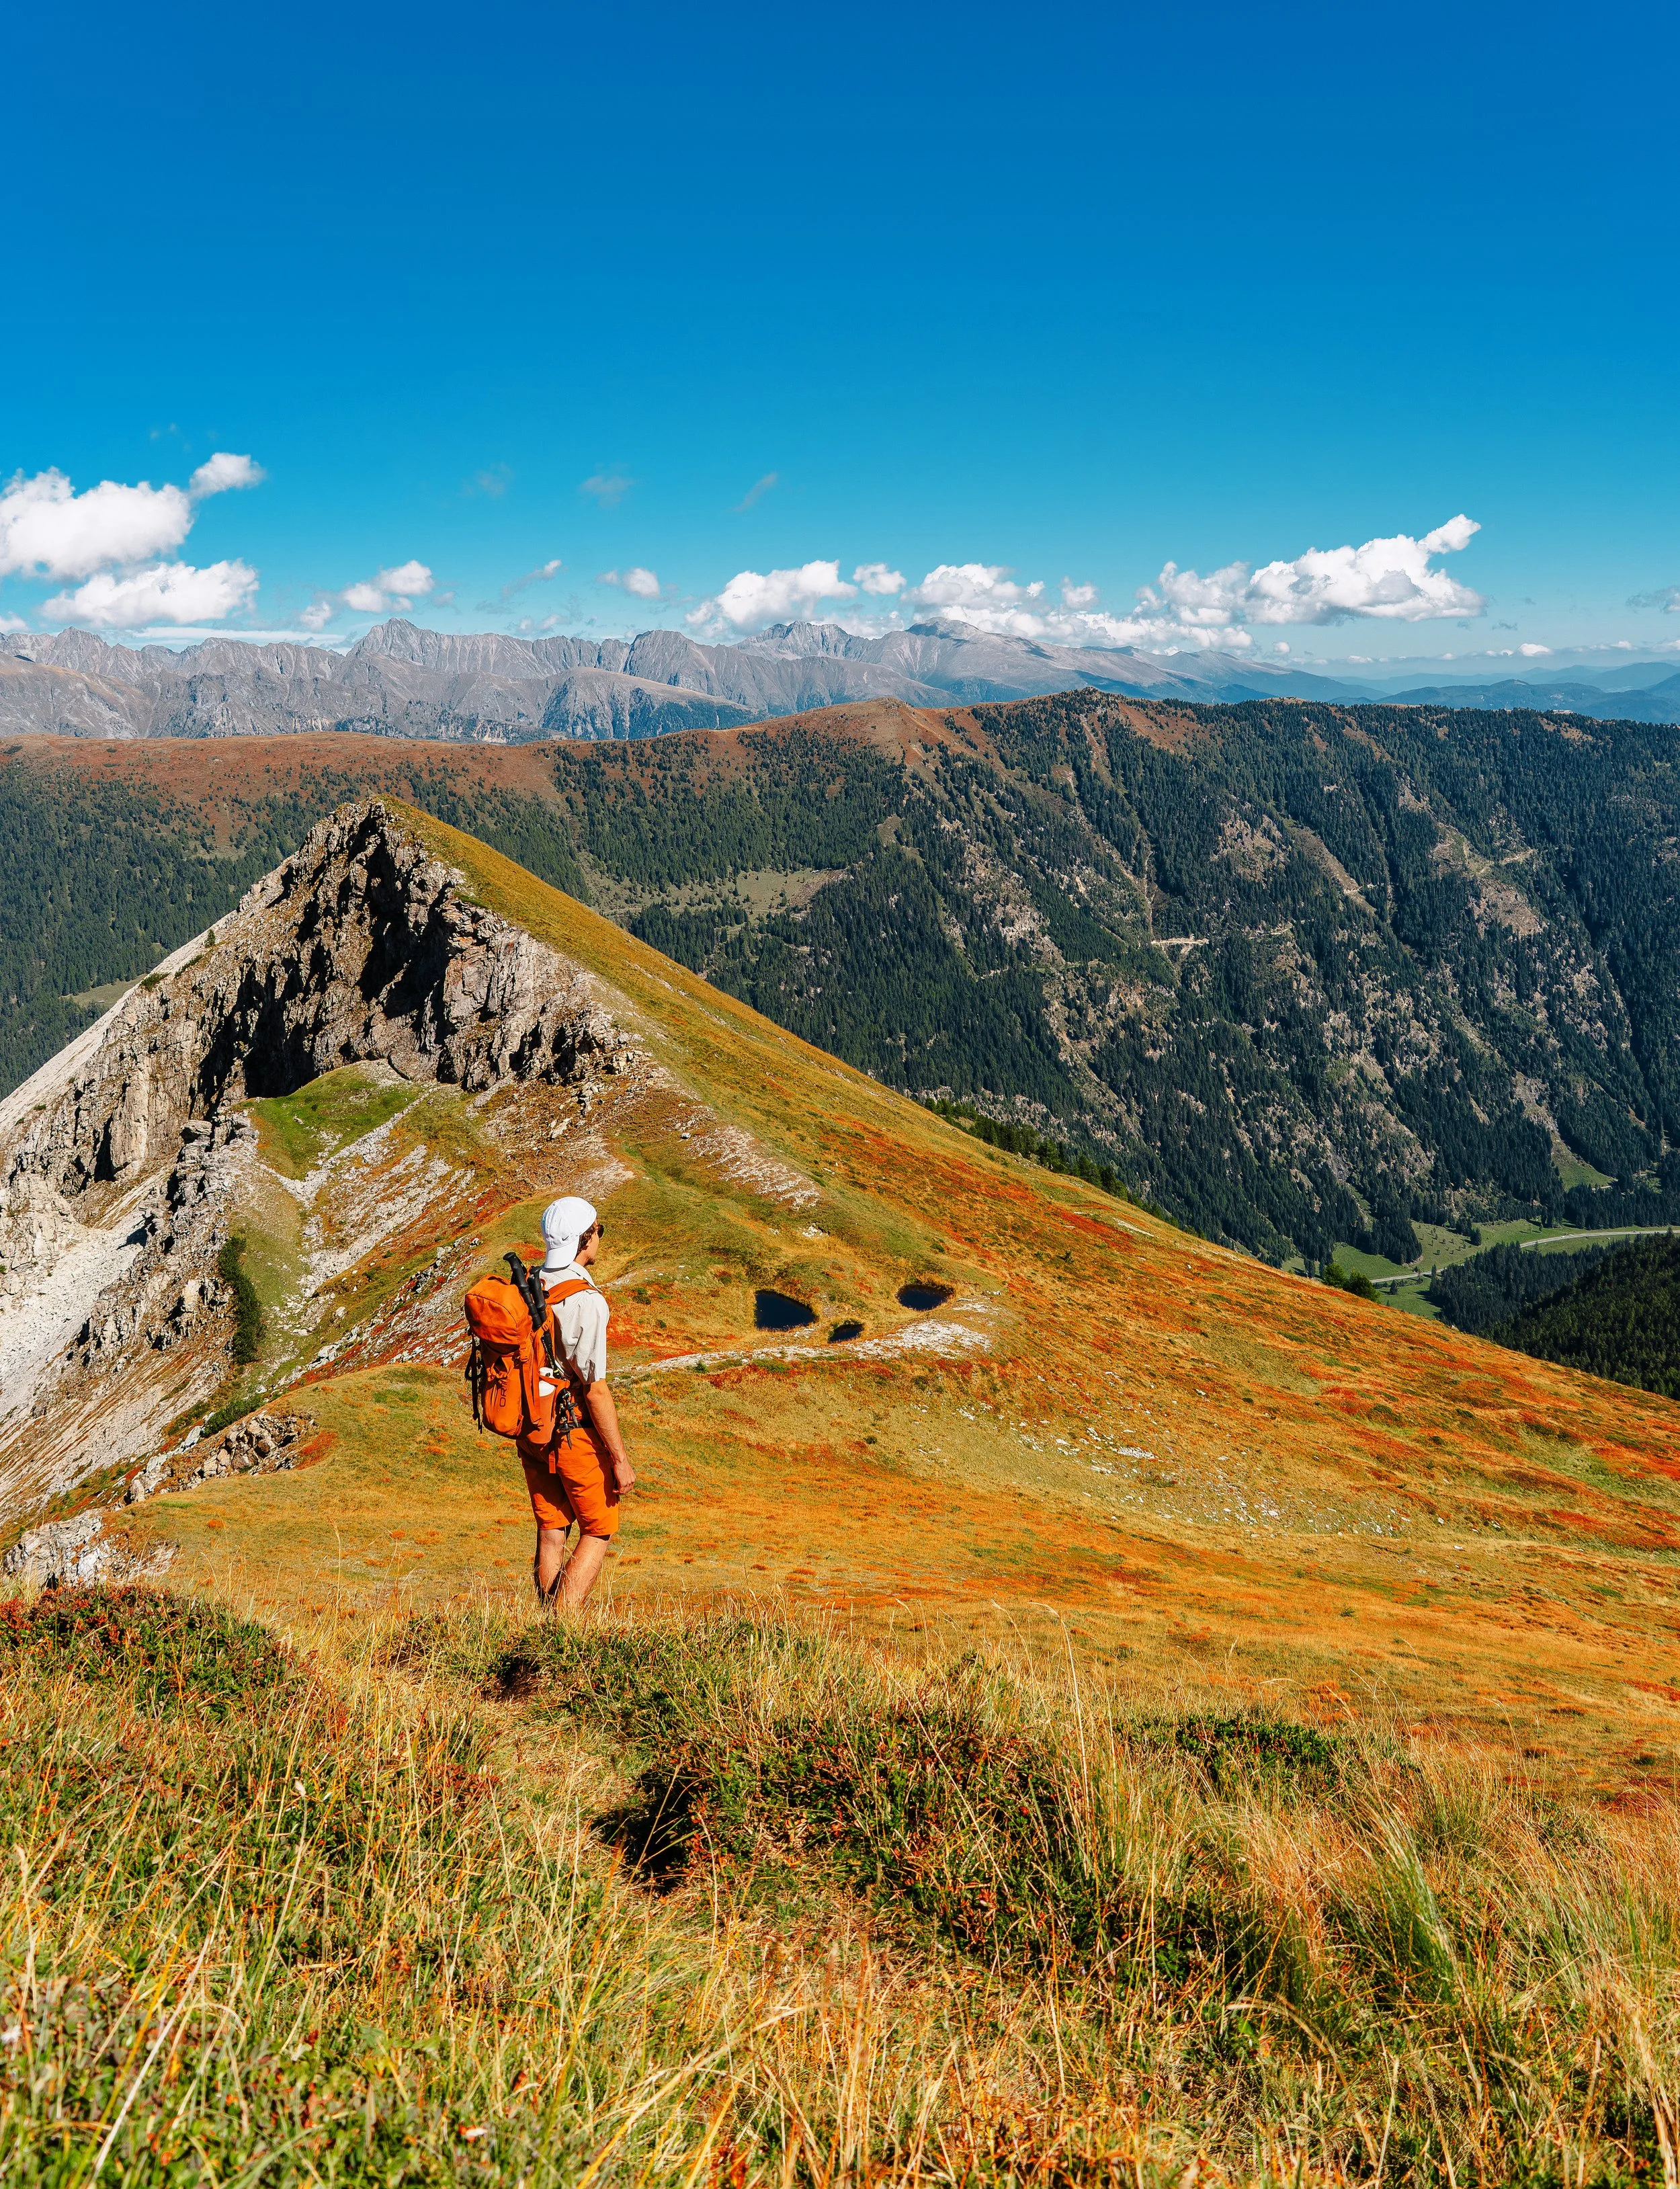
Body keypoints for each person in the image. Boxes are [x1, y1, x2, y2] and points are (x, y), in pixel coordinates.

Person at [517, 1194, 636, 1608]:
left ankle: (545, 1626)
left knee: (552, 1528)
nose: (600, 1237)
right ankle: (562, 1633)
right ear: (586, 1239)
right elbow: (595, 1389)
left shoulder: (529, 1284)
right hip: (573, 1432)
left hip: (533, 1427)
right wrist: (619, 1457)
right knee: (598, 1527)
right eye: (599, 1230)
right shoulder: (586, 1299)